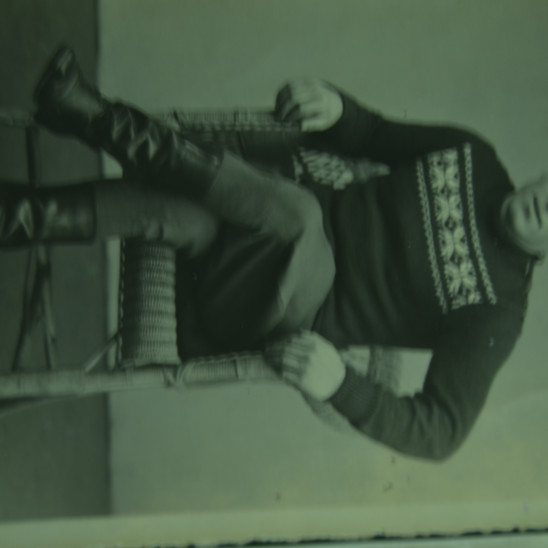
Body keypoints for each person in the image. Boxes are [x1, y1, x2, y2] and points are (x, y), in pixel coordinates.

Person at [1, 45, 544, 461]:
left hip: (278, 306)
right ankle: (18, 215)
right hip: (251, 219)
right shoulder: (474, 157)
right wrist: (338, 107)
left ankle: (97, 119)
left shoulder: (497, 309)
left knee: (301, 218)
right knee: (186, 209)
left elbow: (440, 433)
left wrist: (340, 384)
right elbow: (374, 133)